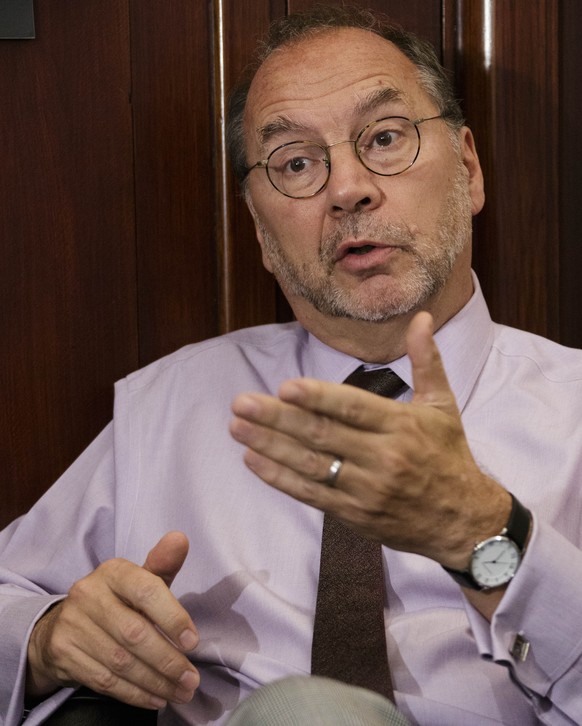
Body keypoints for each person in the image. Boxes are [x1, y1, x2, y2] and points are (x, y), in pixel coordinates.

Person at [1, 5, 581, 725]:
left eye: (386, 138)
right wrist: (49, 637)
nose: (347, 189)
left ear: (467, 168)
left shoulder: (574, 411)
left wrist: (484, 534)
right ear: (262, 235)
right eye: (297, 163)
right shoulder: (174, 404)